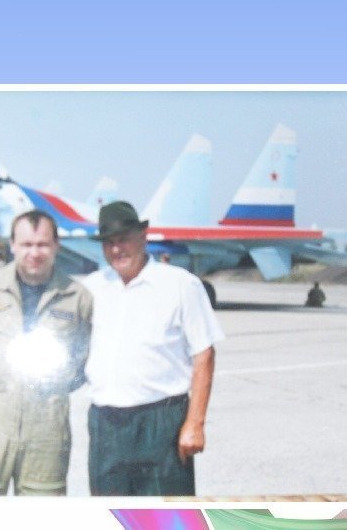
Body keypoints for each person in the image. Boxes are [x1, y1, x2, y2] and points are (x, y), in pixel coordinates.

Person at [83, 201, 224, 496]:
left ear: (143, 237)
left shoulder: (181, 285)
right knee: (109, 512)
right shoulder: (92, 288)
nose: (117, 249)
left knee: (166, 514)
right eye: (109, 243)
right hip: (106, 424)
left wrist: (195, 423)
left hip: (161, 422)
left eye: (124, 239)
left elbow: (204, 354)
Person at [0, 210, 93, 497]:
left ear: (56, 246)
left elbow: (86, 354)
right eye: (26, 244)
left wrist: (57, 385)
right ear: (13, 245)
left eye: (42, 244)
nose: (34, 253)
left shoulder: (77, 297)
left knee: (41, 512)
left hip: (47, 428)